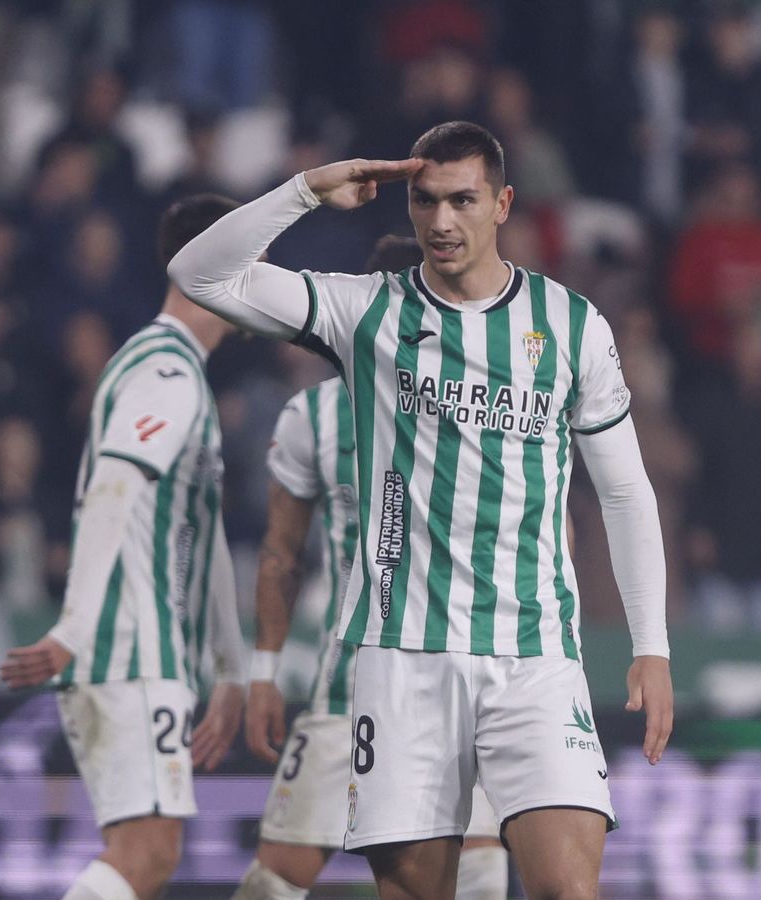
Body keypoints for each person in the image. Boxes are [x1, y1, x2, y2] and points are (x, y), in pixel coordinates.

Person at [169, 121, 672, 900]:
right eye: (425, 201)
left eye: (462, 200)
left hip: (533, 656)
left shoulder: (570, 325)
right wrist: (308, 189)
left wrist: (653, 644)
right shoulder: (364, 312)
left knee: (571, 890)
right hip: (403, 661)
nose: (441, 221)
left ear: (502, 203)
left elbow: (625, 490)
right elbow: (198, 274)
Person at [234, 237, 507, 900]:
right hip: (352, 680)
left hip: (460, 668)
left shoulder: (484, 402)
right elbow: (281, 552)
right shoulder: (315, 416)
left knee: (471, 859)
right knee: (279, 872)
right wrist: (265, 670)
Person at [0, 195, 248, 900]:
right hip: (125, 644)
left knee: (148, 854)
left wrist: (229, 668)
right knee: (146, 852)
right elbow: (114, 482)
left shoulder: (177, 371)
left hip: (142, 646)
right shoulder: (165, 370)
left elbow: (208, 539)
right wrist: (74, 628)